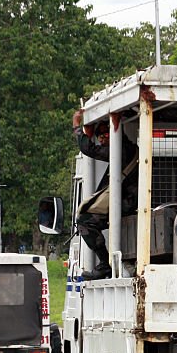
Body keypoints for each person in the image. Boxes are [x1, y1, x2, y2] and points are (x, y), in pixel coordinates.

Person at [71, 109, 138, 279]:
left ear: (114, 131)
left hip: (127, 202)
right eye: (99, 135)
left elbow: (89, 149)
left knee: (85, 221)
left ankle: (104, 264)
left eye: (104, 133)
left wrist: (77, 127)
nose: (101, 138)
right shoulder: (126, 148)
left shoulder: (121, 149)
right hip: (128, 200)